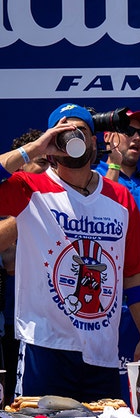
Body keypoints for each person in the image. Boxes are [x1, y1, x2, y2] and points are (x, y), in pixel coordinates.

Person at [0, 103, 140, 401]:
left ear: (94, 141)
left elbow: (135, 273)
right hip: (44, 346)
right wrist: (33, 149)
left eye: (82, 131)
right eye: (64, 133)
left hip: (102, 351)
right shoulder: (29, 187)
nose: (74, 139)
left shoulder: (120, 197)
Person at [0, 130, 51, 403]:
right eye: (42, 163)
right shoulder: (8, 199)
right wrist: (31, 213)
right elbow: (8, 261)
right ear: (21, 166)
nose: (49, 171)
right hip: (7, 324)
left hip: (39, 327)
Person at [96, 109, 140, 243]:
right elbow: (100, 213)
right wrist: (114, 166)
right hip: (111, 261)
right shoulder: (92, 176)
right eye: (128, 131)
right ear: (107, 138)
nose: (137, 138)